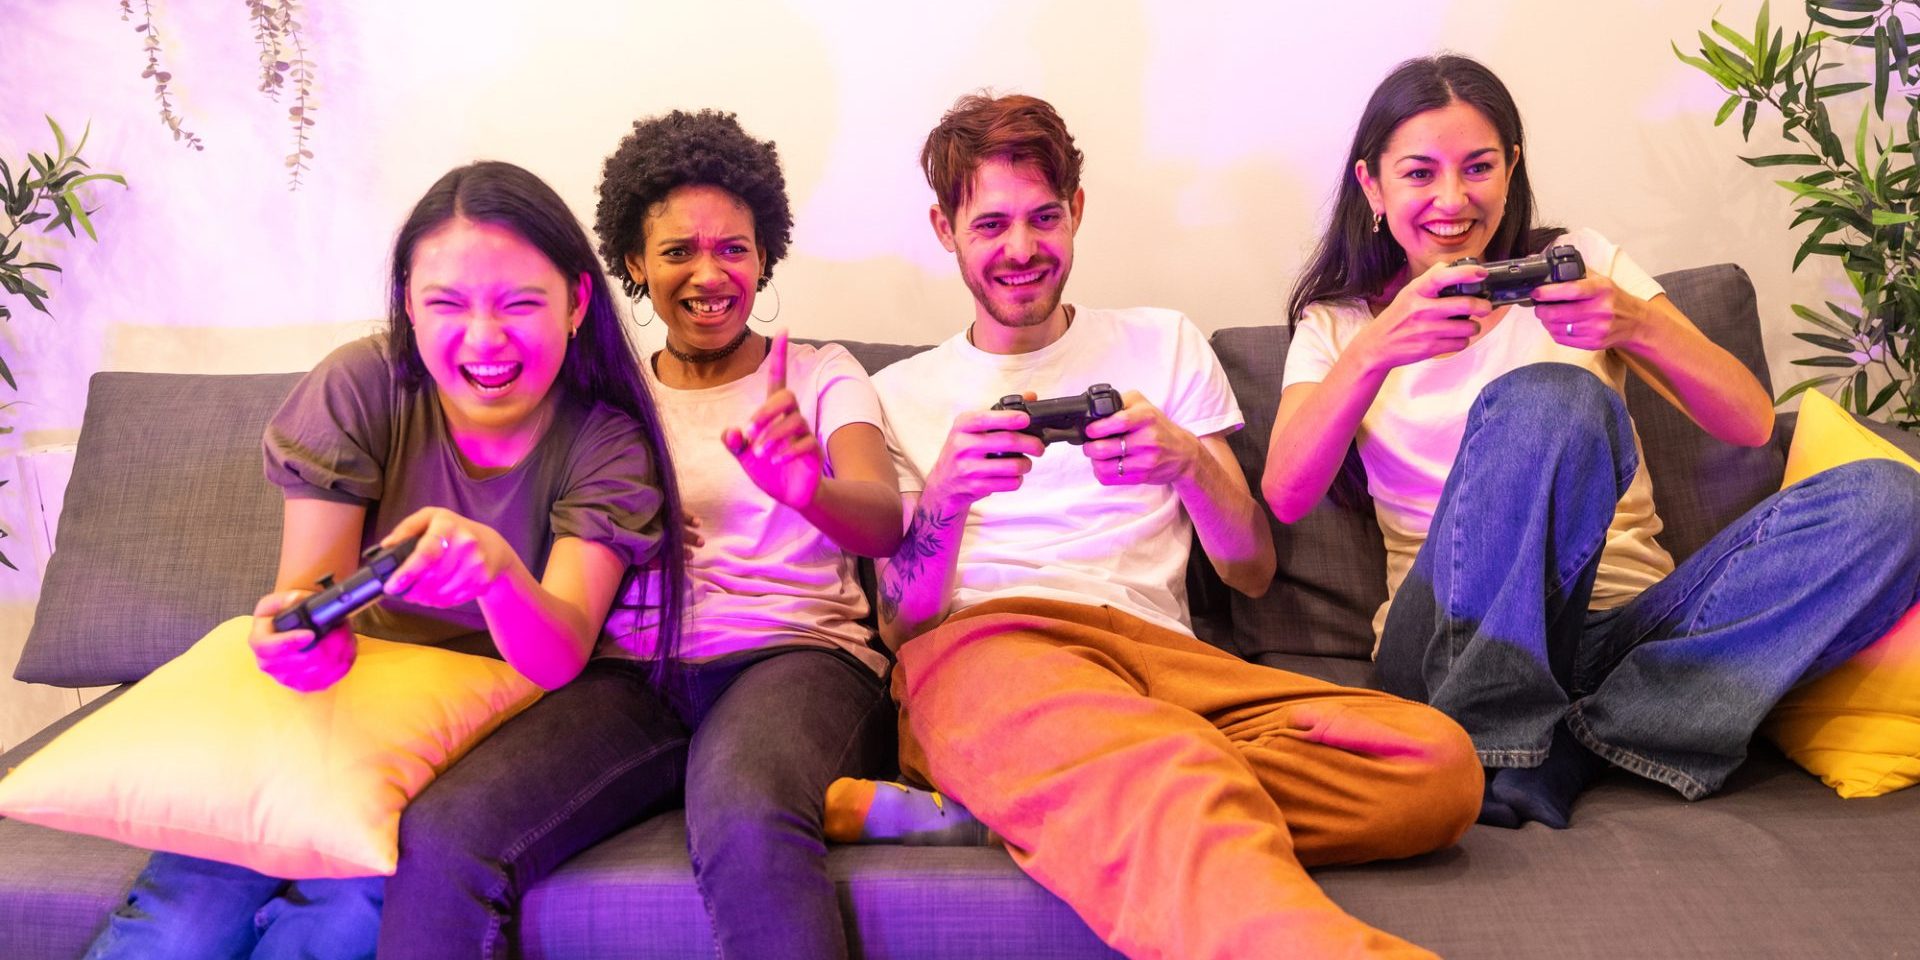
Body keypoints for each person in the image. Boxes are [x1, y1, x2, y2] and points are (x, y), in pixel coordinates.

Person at [833, 92, 1482, 960]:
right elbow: (899, 623)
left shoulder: (1165, 345)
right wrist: (947, 497)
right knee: (1166, 763)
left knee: (1435, 767)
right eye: (990, 225)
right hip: (992, 650)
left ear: (1079, 213)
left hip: (1167, 666)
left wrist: (1185, 461)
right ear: (945, 229)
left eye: (1044, 218)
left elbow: (1250, 570)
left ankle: (1031, 807)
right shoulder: (899, 393)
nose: (1022, 249)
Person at [1266, 54, 1920, 831]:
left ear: (1511, 168)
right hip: (1453, 647)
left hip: (1627, 632)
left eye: (1478, 167)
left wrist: (1636, 325)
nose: (1452, 198)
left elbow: (1748, 423)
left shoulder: (1585, 263)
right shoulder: (1338, 325)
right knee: (1550, 398)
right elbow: (1286, 491)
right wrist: (1376, 349)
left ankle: (1590, 736)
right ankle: (1495, 739)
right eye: (1419, 174)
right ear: (1372, 185)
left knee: (1893, 497)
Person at [85, 160, 691, 960]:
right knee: (176, 927)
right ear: (408, 301)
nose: (484, 338)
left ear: (577, 302)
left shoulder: (606, 443)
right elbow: (310, 592)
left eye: (520, 303)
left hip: (457, 754)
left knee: (330, 930)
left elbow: (561, 651)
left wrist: (498, 574)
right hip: (330, 724)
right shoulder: (361, 386)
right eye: (446, 303)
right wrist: (299, 636)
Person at [592, 108, 902, 960]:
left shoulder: (818, 372)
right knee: (458, 827)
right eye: (678, 251)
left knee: (743, 807)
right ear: (632, 263)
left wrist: (809, 491)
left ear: (764, 256)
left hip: (799, 658)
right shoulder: (608, 399)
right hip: (636, 669)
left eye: (733, 247)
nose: (709, 274)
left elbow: (882, 519)